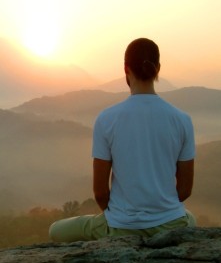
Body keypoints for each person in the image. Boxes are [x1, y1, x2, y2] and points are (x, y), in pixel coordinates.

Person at [49, 38, 196, 242]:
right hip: (170, 223)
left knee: (55, 230)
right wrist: (158, 214)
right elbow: (185, 189)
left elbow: (100, 192)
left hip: (120, 227)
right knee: (190, 218)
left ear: (126, 69)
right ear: (158, 69)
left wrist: (121, 217)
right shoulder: (182, 120)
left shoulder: (107, 119)